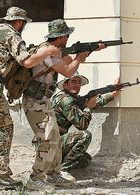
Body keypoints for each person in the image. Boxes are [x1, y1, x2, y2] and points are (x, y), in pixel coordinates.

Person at [0, 7, 61, 193]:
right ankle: (0, 175)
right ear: (19, 22)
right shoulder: (12, 34)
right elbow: (26, 61)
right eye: (23, 23)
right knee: (3, 127)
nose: (23, 26)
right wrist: (47, 52)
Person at [22, 19, 105, 191]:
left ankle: (53, 174)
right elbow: (68, 71)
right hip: (34, 101)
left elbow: (68, 62)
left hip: (43, 100)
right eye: (67, 36)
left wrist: (88, 51)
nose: (68, 38)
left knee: (55, 139)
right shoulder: (49, 51)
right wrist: (79, 58)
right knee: (46, 138)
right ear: (61, 37)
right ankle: (35, 178)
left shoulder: (56, 51)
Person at [51, 73, 120, 171]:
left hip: (54, 142)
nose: (77, 85)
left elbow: (94, 102)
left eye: (79, 83)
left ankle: (55, 163)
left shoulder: (70, 98)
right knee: (85, 135)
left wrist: (112, 94)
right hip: (50, 144)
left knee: (85, 159)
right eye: (73, 82)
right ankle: (62, 170)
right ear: (65, 85)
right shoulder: (65, 100)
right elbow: (82, 125)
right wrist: (88, 108)